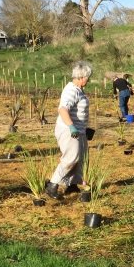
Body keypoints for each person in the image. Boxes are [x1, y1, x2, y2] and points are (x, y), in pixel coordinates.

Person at [46, 61, 93, 199]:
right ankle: (52, 185)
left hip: (79, 130)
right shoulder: (72, 90)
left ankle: (71, 184)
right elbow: (63, 109)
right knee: (71, 158)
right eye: (87, 77)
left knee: (81, 159)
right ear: (81, 77)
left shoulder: (79, 90)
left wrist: (84, 128)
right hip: (69, 130)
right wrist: (72, 126)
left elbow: (79, 111)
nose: (88, 80)